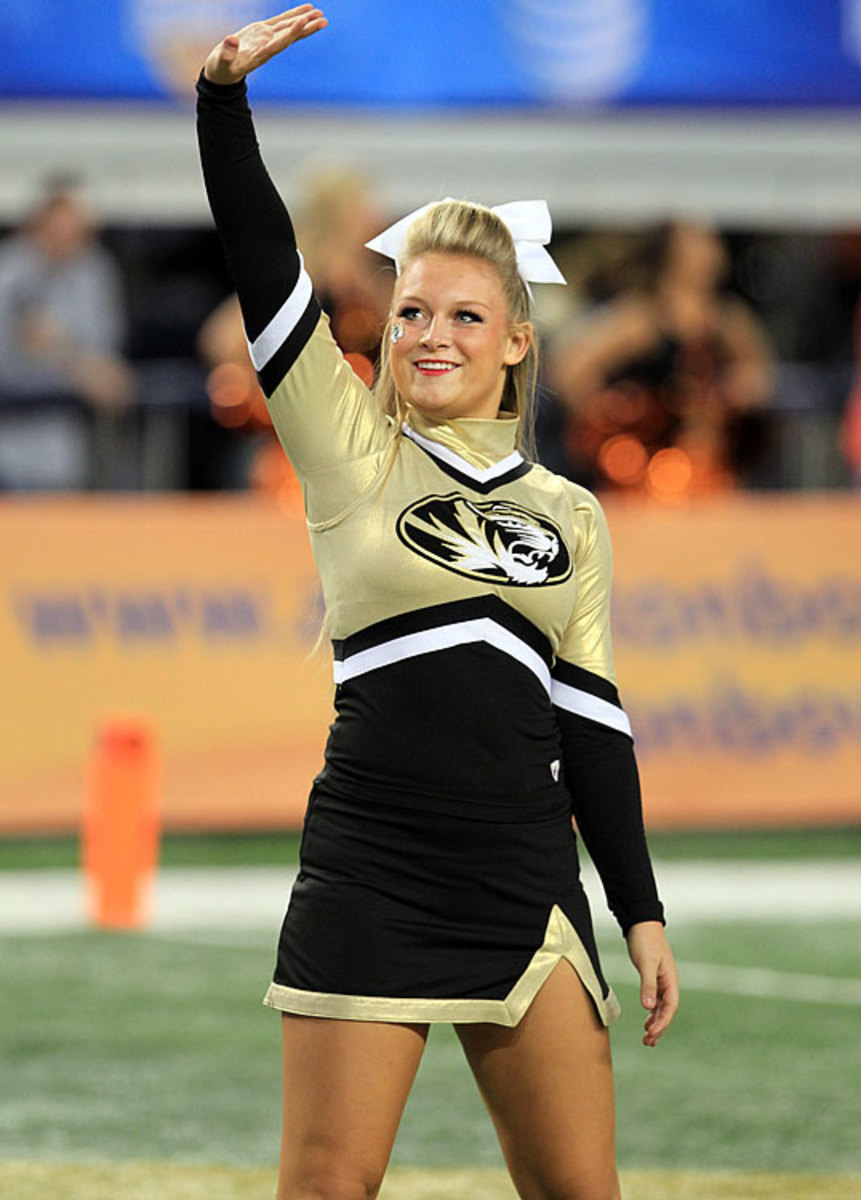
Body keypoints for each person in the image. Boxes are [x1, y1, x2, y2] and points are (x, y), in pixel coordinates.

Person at [197, 9, 678, 1199]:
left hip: (526, 880)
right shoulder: (351, 446)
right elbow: (267, 271)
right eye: (413, 310)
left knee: (581, 1188)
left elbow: (594, 723)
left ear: (517, 342)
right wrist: (222, 103)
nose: (432, 334)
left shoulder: (570, 513)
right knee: (327, 1186)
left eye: (466, 315)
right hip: (374, 871)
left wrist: (642, 910)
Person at [549, 221, 773, 495]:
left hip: (709, 471)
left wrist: (736, 393)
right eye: (701, 241)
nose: (713, 249)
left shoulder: (727, 319)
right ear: (672, 252)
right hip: (642, 476)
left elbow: (759, 375)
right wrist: (612, 424)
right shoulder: (641, 317)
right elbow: (571, 369)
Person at [0, 174, 135, 489]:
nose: (71, 236)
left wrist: (65, 353)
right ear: (40, 220)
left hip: (68, 444)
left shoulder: (94, 272)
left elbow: (112, 378)